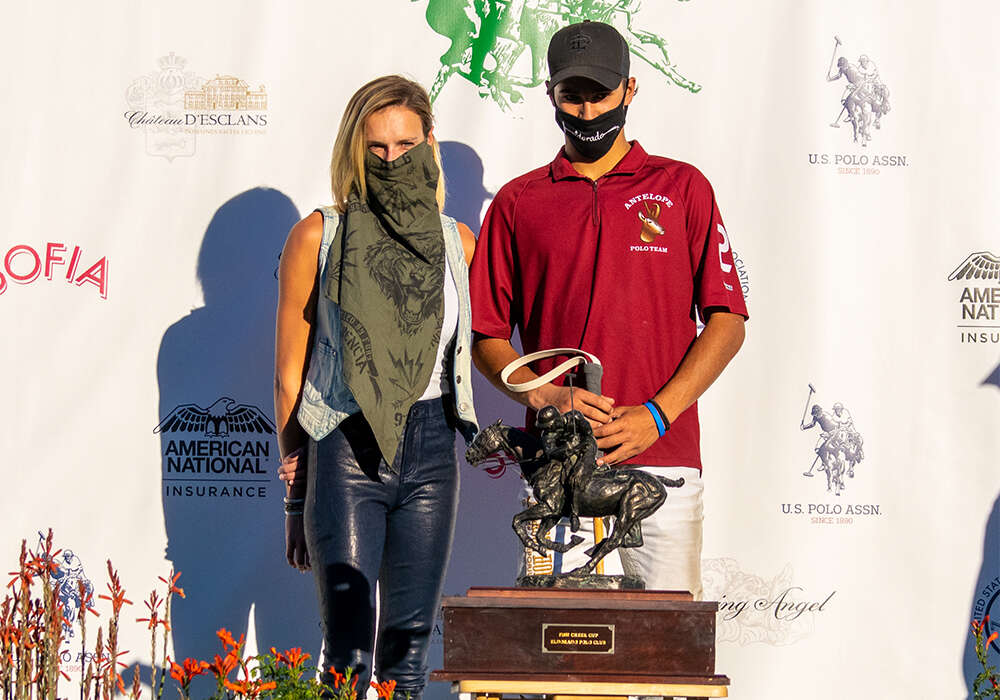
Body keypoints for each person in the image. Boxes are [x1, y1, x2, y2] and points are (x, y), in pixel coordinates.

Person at [469, 20, 747, 598]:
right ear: (551, 95)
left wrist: (658, 414)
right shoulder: (518, 202)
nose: (588, 111)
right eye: (573, 95)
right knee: (560, 669)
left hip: (664, 462)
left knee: (667, 668)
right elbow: (487, 336)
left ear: (630, 88)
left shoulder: (683, 187)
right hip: (557, 474)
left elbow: (726, 320)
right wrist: (542, 394)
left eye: (600, 93)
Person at [273, 75, 478, 700]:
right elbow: (289, 372)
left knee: (409, 649)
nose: (393, 160)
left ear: (430, 145)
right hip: (344, 445)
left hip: (433, 447)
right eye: (377, 149)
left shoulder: (458, 243)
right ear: (353, 151)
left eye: (406, 145)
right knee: (348, 651)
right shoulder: (319, 235)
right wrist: (295, 495)